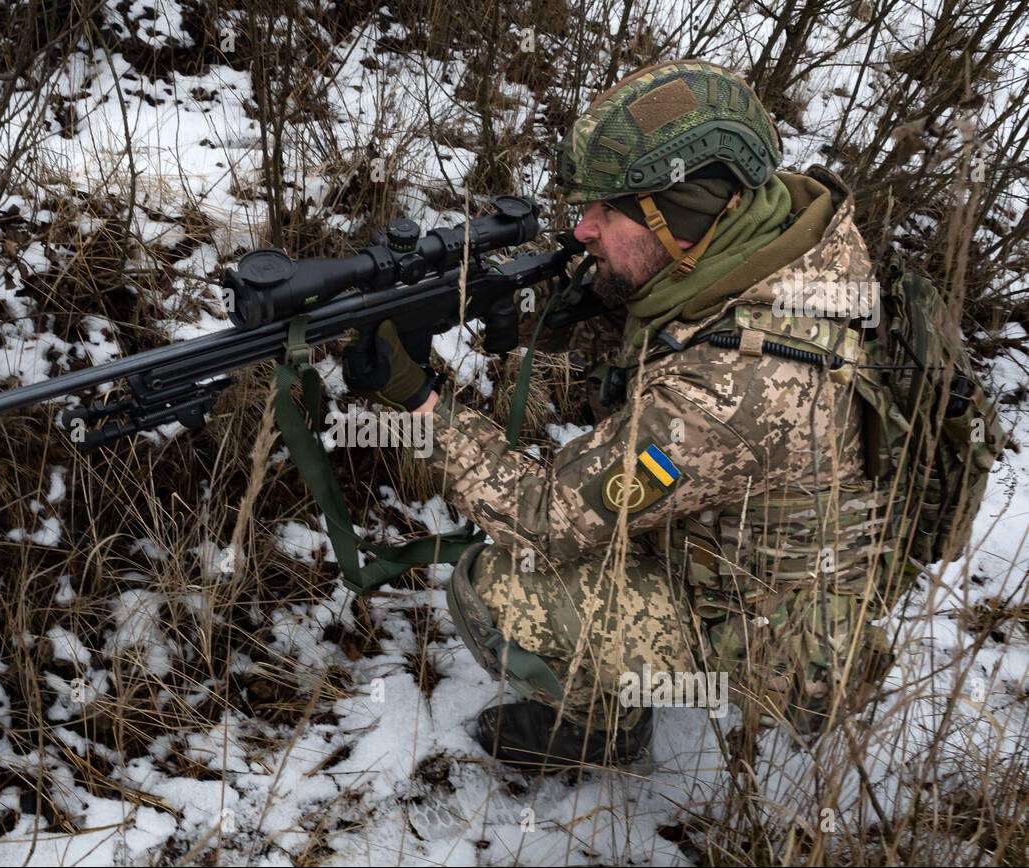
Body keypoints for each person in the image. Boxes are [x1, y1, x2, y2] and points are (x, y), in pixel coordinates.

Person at [343, 59, 895, 771]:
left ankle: (601, 730)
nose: (584, 229)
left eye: (611, 210)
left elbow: (544, 519)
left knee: (496, 591)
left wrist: (419, 405)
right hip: (765, 545)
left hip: (778, 634)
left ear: (687, 218)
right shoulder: (787, 242)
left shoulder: (733, 395)